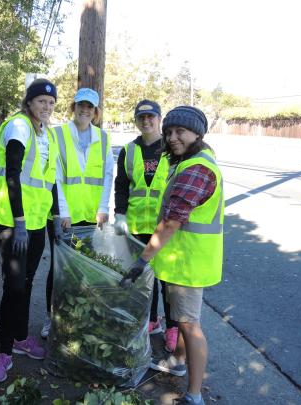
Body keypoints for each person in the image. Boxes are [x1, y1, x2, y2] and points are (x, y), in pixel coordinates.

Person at [120, 106, 224, 405]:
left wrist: (142, 261)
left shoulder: (196, 169)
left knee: (190, 325)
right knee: (180, 318)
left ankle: (194, 394)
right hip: (185, 259)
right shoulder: (191, 161)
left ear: (197, 134)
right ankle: (177, 361)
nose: (173, 137)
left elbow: (171, 222)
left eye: (181, 132)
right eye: (169, 132)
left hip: (190, 261)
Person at [0, 78, 63, 383]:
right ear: (29, 102)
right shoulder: (19, 127)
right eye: (41, 101)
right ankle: (4, 353)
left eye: (51, 103)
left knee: (28, 281)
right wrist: (18, 221)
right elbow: (13, 175)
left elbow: (51, 179)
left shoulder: (47, 135)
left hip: (36, 222)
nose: (47, 107)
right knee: (14, 286)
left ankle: (21, 338)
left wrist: (56, 216)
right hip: (13, 221)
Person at [41, 88, 114, 338]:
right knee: (60, 268)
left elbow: (106, 177)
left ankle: (76, 316)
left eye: (90, 107)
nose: (85, 110)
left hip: (90, 218)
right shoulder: (58, 135)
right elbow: (55, 176)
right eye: (81, 105)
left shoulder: (103, 139)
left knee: (84, 268)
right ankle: (53, 318)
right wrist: (62, 211)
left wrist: (103, 209)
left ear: (95, 112)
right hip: (65, 218)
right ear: (73, 107)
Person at [113, 99, 184, 358]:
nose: (146, 121)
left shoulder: (172, 148)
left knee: (167, 279)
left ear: (159, 118)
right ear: (136, 120)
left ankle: (173, 326)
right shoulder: (129, 151)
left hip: (164, 226)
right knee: (144, 278)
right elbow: (121, 185)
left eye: (151, 117)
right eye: (141, 118)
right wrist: (119, 213)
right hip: (137, 225)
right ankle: (151, 318)